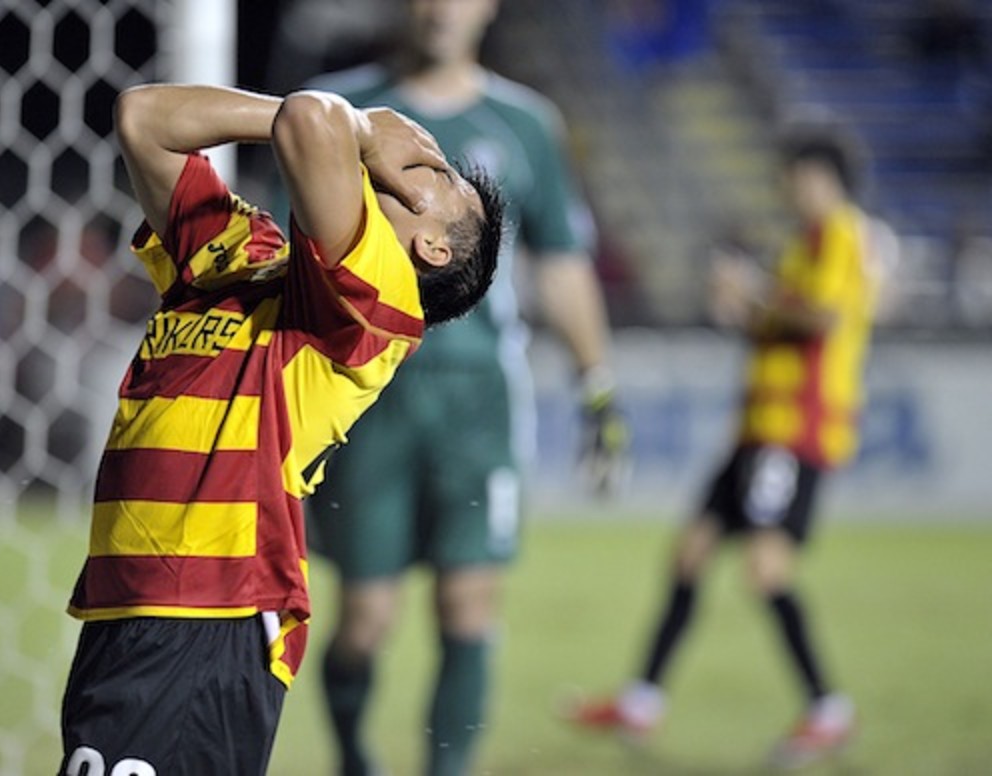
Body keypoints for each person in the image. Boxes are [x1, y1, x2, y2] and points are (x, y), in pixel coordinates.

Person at [58, 83, 504, 775]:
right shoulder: (246, 256)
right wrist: (341, 130)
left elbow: (311, 121)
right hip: (135, 602)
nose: (412, 153)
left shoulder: (377, 305)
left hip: (210, 608)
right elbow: (143, 117)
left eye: (434, 174)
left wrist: (361, 126)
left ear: (431, 248)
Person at [275, 2, 626, 774]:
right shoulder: (339, 109)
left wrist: (597, 384)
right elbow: (283, 250)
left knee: (469, 603)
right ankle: (355, 758)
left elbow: (561, 263)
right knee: (365, 617)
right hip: (367, 394)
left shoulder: (526, 123)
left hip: (480, 402)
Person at [566, 124, 879, 769]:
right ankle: (642, 700)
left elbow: (821, 318)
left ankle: (828, 709)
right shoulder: (804, 245)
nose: (790, 188)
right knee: (691, 553)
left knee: (766, 567)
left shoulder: (840, 233)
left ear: (822, 178)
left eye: (798, 175)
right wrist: (745, 309)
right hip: (758, 430)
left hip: (794, 433)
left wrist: (754, 294)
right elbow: (785, 322)